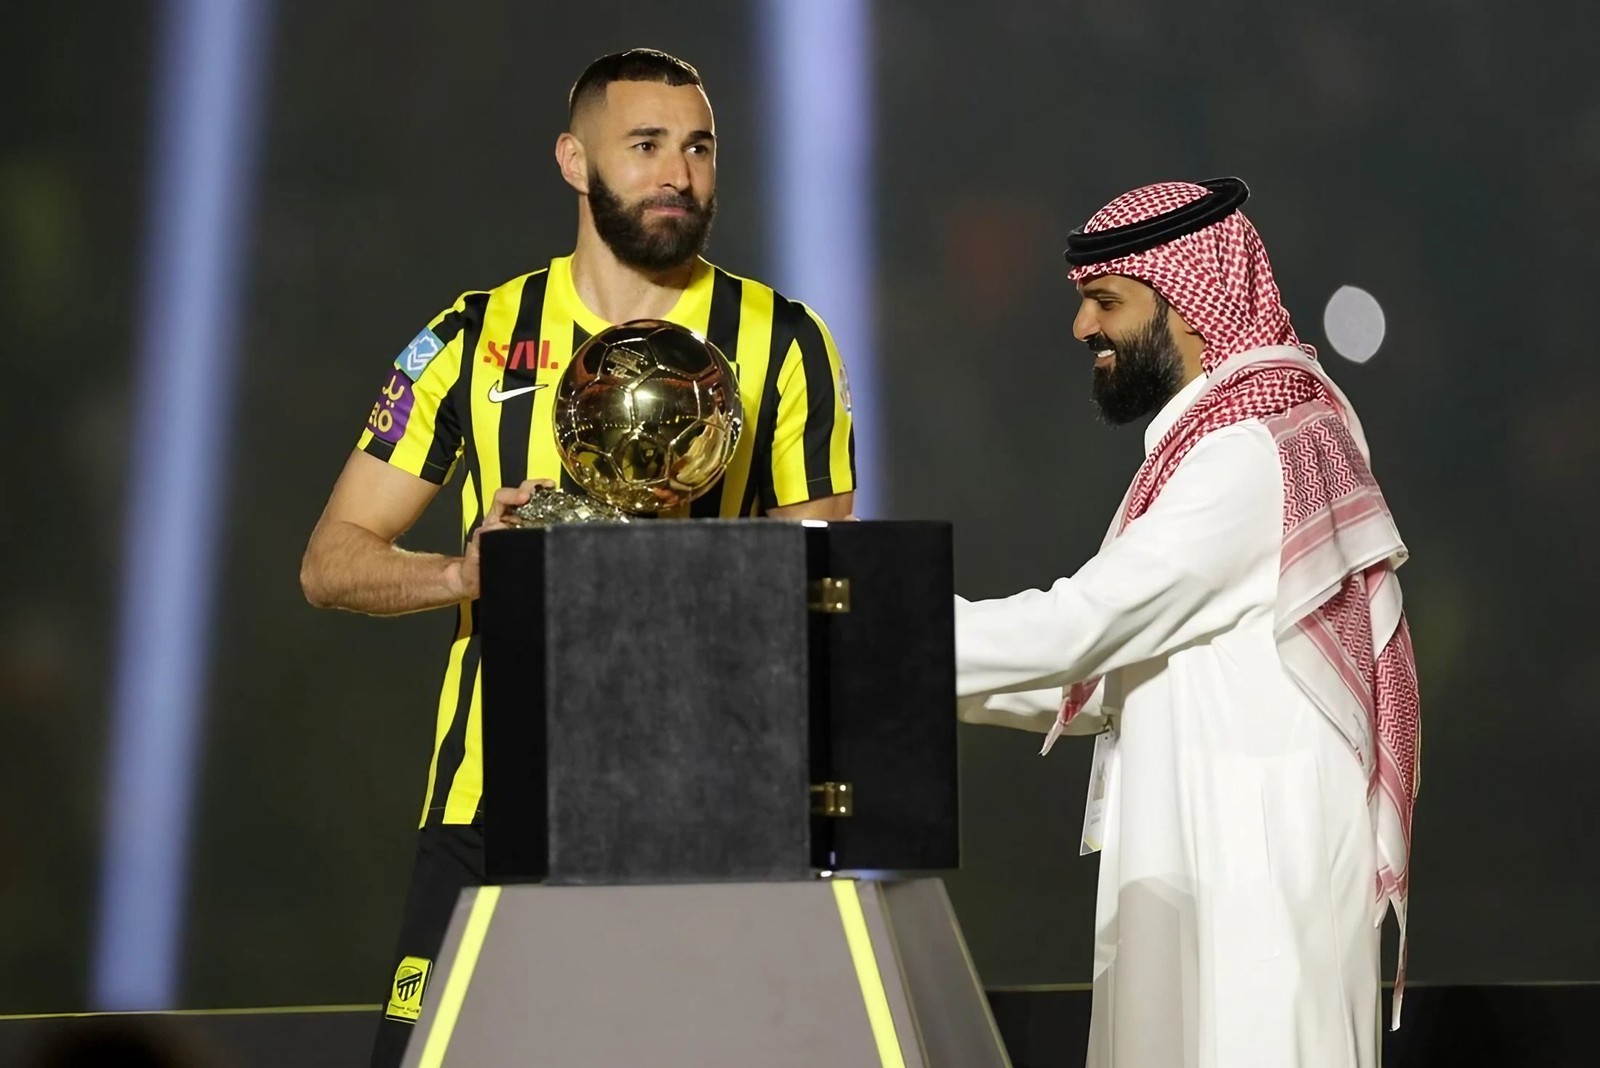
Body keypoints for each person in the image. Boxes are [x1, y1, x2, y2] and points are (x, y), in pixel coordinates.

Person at [298, 48, 855, 1067]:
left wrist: (666, 560)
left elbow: (816, 585)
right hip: (490, 802)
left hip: (706, 808)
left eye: (698, 148)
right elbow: (331, 560)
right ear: (572, 159)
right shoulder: (470, 336)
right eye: (644, 146)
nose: (678, 176)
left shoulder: (785, 342)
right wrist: (462, 575)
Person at [954, 178, 1419, 1067]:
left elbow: (1078, 631)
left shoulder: (1252, 454)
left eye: (1105, 302)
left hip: (1255, 902)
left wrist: (866, 625)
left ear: (1191, 305)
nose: (1082, 328)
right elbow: (1092, 684)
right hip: (1213, 881)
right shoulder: (1223, 444)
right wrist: (884, 671)